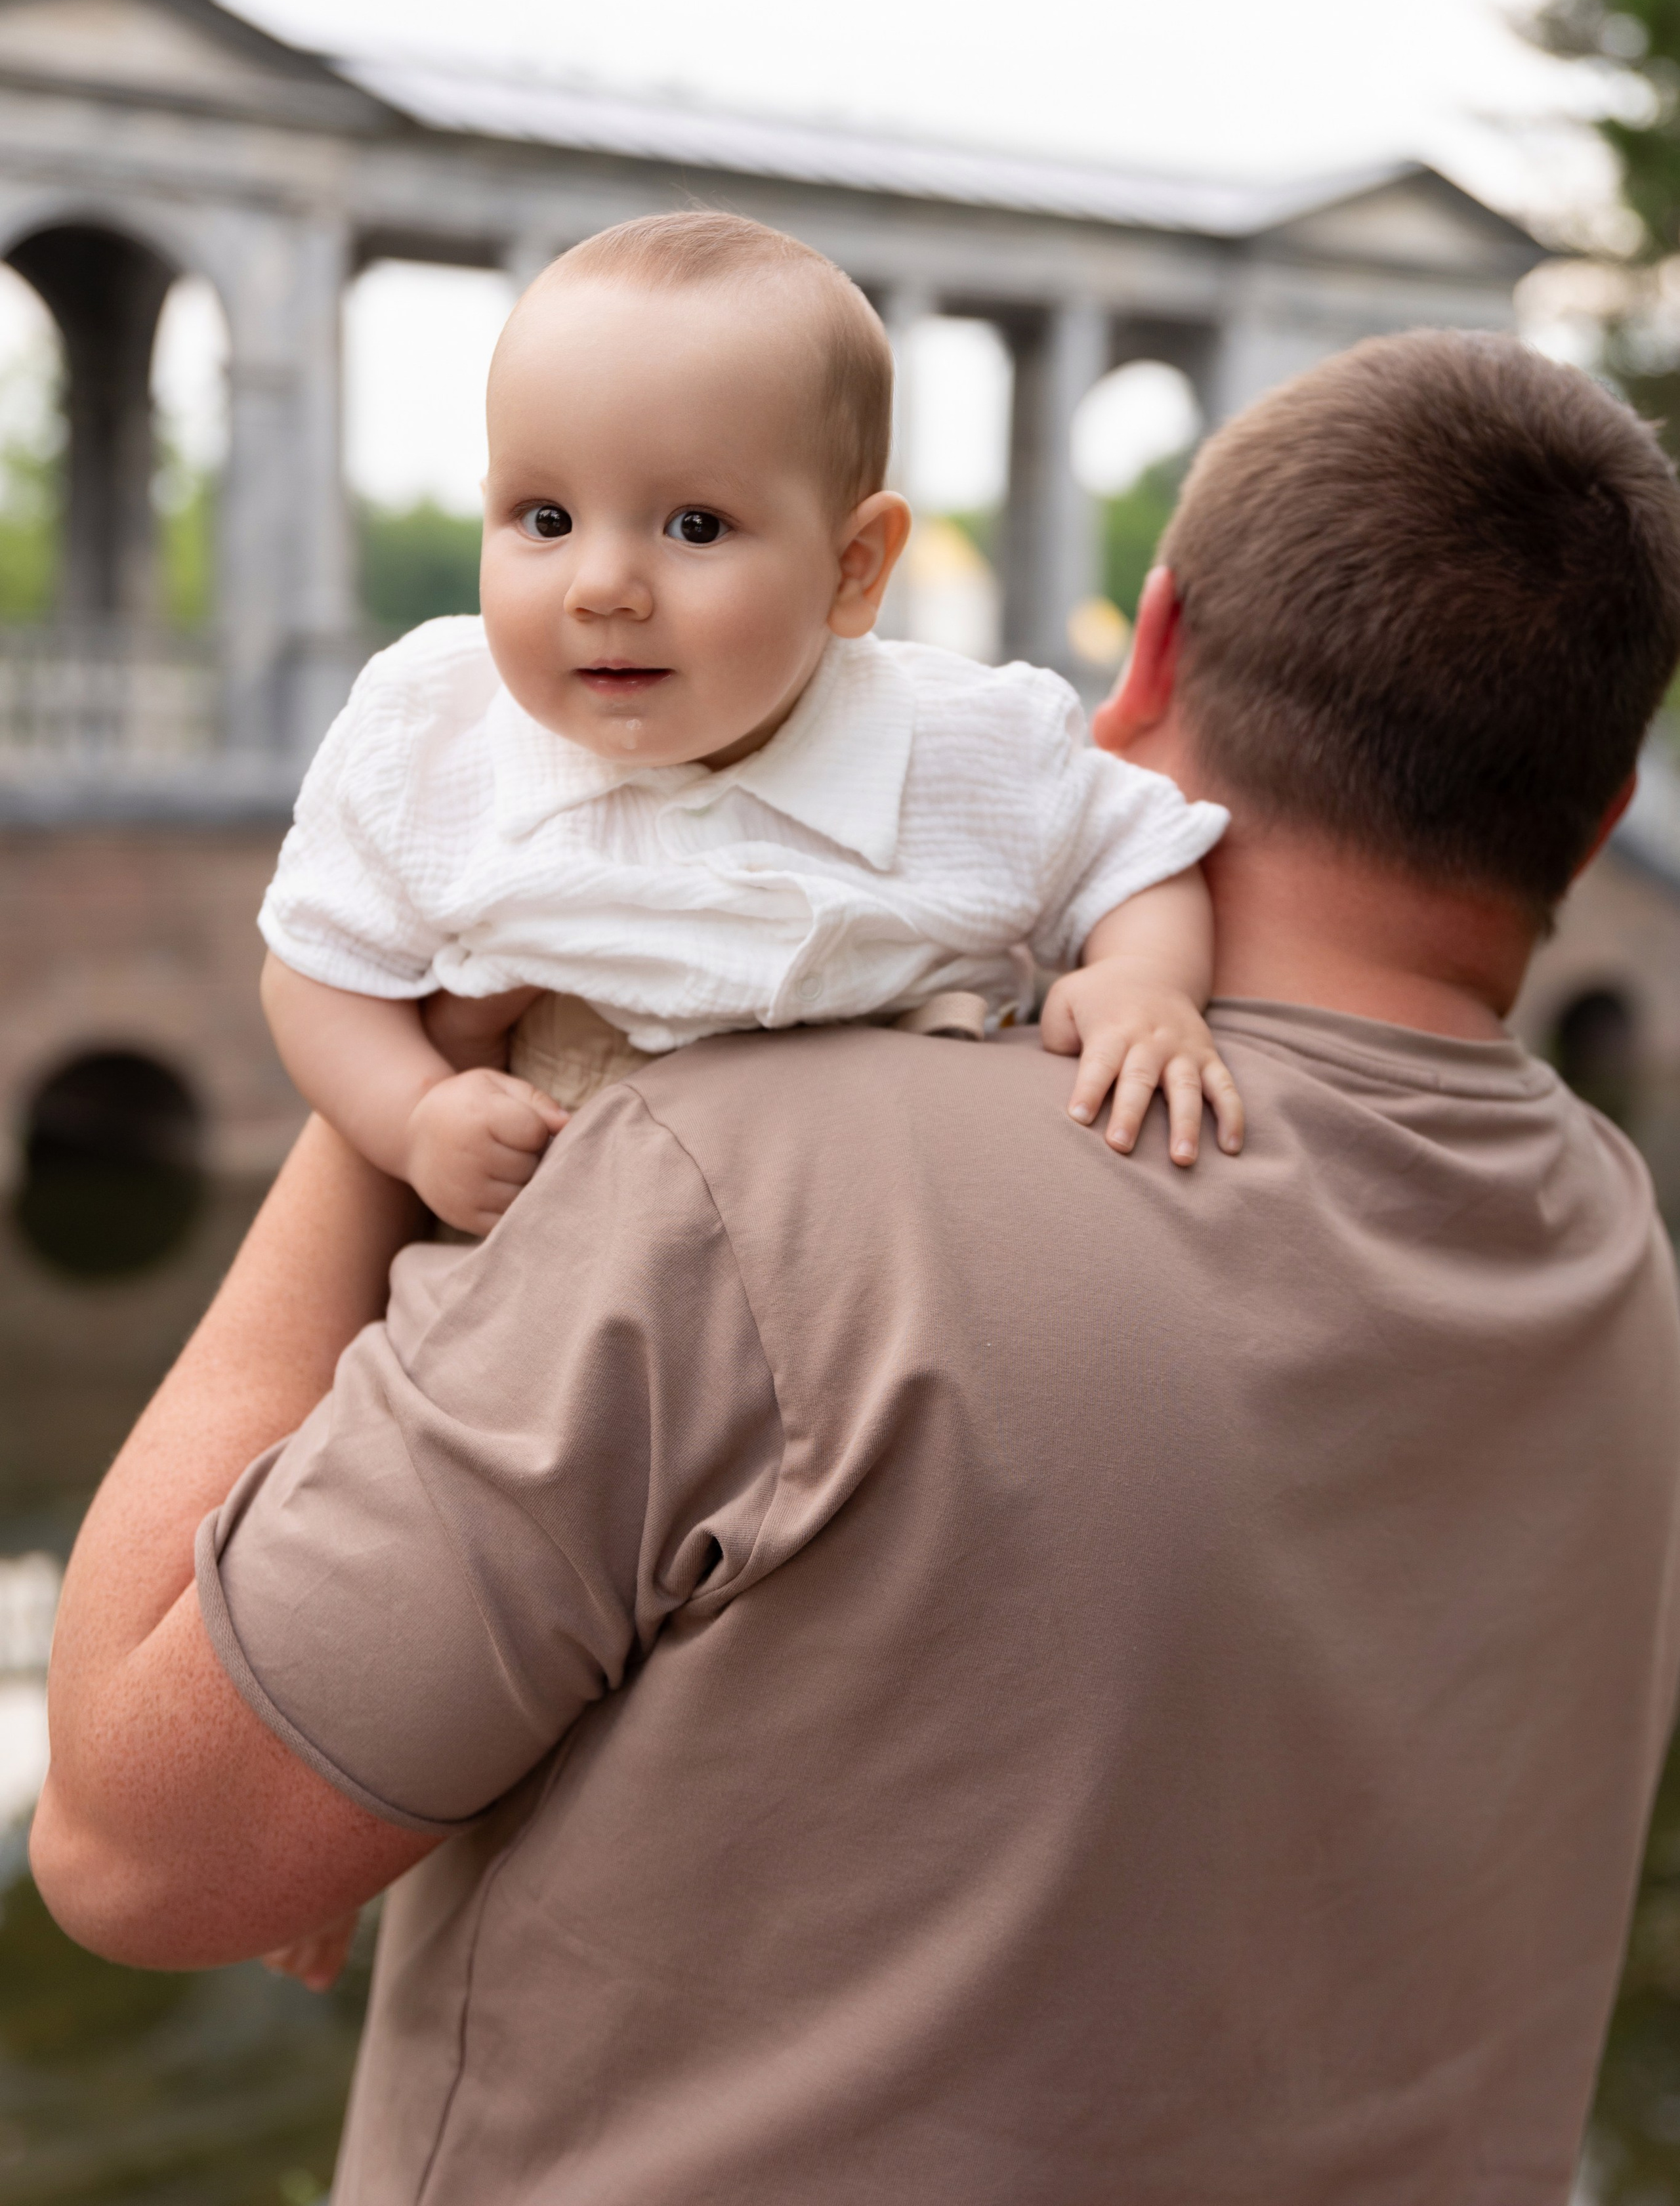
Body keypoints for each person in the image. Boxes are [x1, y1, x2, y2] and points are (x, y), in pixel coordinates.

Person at [32, 328, 1680, 2206]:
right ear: (1605, 808)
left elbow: (135, 1850)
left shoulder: (756, 1186)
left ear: (1149, 653)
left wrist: (399, 1085)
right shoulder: (1617, 1247)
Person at [258, 210, 1241, 1238]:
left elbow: (1142, 852)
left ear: (854, 567)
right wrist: (413, 1112)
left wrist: (1140, 981)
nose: (600, 588)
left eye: (695, 526)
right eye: (544, 519)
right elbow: (318, 970)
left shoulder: (967, 745)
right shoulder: (437, 732)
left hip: (888, 1244)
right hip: (549, 1244)